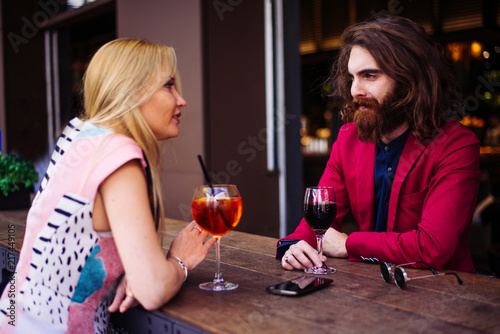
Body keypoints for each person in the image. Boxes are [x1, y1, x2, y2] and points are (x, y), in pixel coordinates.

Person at [0, 38, 215, 333]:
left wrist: (134, 270)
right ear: (132, 92)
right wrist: (180, 260)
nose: (181, 99)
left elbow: (83, 236)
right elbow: (152, 290)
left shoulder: (80, 135)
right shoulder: (119, 155)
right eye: (168, 85)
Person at [278, 15, 480, 274]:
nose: (354, 90)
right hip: (370, 288)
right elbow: (318, 220)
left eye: (369, 76)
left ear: (409, 80)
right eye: (352, 77)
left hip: (440, 292)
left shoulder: (456, 145)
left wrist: (348, 244)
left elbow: (433, 247)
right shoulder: (349, 138)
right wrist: (296, 246)